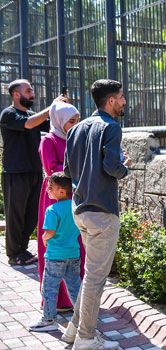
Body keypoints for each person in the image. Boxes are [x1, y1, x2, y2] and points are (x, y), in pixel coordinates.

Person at [62, 79, 131, 350]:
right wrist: (125, 166)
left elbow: (68, 172)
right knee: (95, 278)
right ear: (111, 100)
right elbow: (113, 168)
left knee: (91, 275)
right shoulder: (112, 127)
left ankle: (73, 331)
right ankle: (87, 338)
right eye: (122, 96)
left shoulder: (75, 129)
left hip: (79, 210)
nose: (124, 101)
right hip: (102, 211)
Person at [0, 79, 67, 265]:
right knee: (15, 214)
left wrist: (63, 112)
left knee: (31, 214)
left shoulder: (32, 115)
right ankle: (14, 254)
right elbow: (29, 124)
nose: (32, 94)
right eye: (28, 91)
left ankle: (22, 250)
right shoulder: (8, 115)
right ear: (15, 94)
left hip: (35, 172)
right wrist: (52, 107)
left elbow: (54, 126)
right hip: (15, 172)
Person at [37, 101, 84, 312]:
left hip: (74, 195)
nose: (74, 125)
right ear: (59, 121)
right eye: (70, 121)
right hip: (56, 196)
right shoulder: (48, 141)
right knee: (56, 241)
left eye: (77, 121)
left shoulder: (75, 139)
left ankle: (76, 299)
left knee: (74, 243)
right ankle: (56, 301)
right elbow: (52, 169)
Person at [29, 172, 81, 332]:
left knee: (49, 288)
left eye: (51, 188)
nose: (47, 190)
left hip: (55, 256)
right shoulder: (75, 207)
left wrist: (44, 238)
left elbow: (50, 231)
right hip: (73, 254)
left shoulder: (52, 210)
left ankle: (49, 319)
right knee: (75, 288)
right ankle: (83, 318)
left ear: (61, 191)